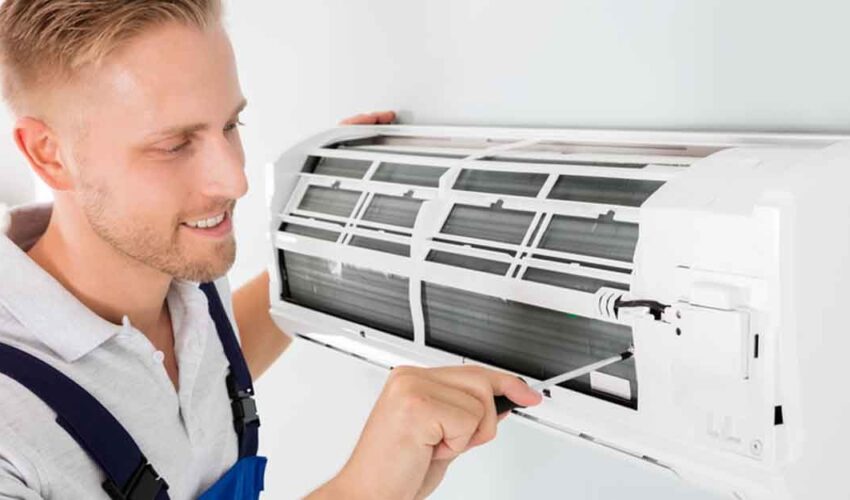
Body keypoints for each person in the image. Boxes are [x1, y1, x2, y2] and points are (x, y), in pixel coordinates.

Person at [0, 1, 543, 499]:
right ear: (49, 155)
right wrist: (361, 491)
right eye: (174, 145)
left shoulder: (176, 268)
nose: (233, 180)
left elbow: (194, 376)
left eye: (231, 124)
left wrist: (315, 236)